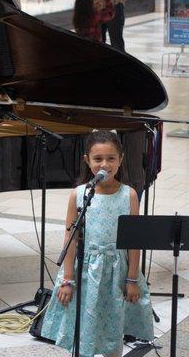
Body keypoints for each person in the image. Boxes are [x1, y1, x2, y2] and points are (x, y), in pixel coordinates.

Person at [41, 130, 154, 357]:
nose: (105, 164)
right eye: (98, 159)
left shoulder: (129, 195)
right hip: (86, 272)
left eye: (111, 158)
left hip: (116, 271)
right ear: (87, 161)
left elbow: (134, 243)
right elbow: (70, 239)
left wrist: (132, 279)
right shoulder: (79, 194)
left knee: (113, 329)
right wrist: (67, 278)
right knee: (83, 329)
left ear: (121, 159)